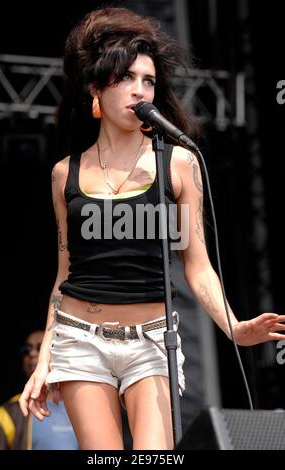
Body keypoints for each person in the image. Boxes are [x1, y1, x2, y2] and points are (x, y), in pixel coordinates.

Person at [19, 7, 285, 450]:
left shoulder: (179, 164)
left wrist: (234, 327)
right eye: (126, 78)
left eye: (148, 81)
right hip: (80, 340)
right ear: (96, 90)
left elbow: (197, 267)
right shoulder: (64, 174)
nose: (140, 89)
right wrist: (45, 358)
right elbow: (64, 276)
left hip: (152, 342)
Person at [0, 330, 78, 450]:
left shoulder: (83, 405)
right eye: (27, 349)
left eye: (40, 347)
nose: (32, 353)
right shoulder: (7, 415)